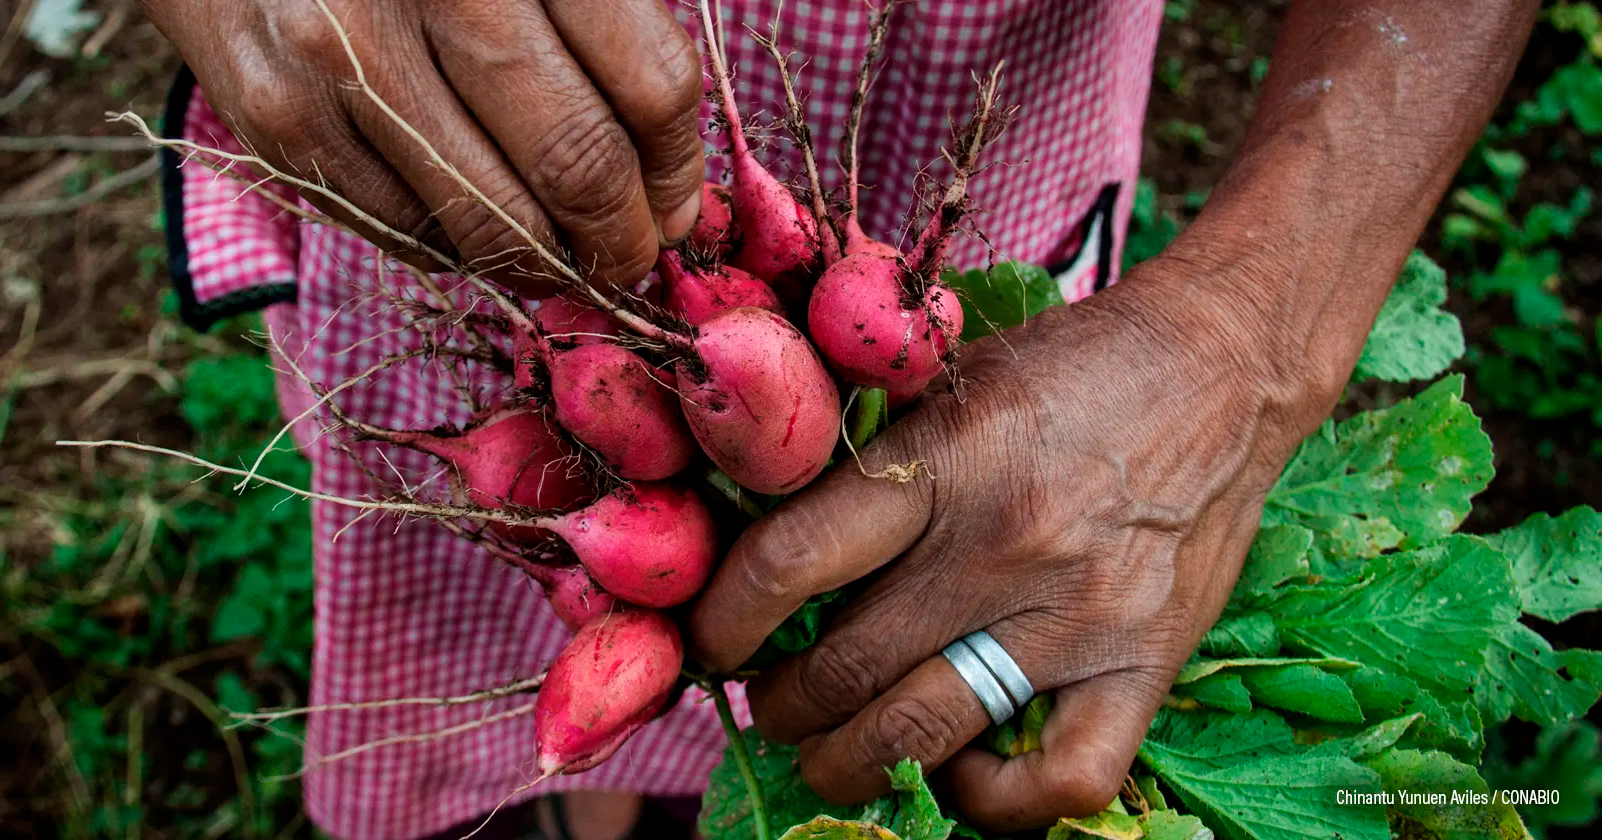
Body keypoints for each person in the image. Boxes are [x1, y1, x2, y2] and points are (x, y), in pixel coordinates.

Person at [137, 0, 1536, 837]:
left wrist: (1247, 334)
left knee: (873, 620)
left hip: (991, 283)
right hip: (434, 185)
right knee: (537, 561)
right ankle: (571, 801)